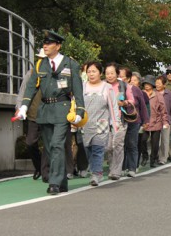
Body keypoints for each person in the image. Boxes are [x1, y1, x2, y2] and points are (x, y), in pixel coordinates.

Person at [17, 30, 85, 195]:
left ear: (58, 46)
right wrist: (24, 107)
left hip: (62, 109)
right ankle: (62, 182)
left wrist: (80, 111)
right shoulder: (40, 65)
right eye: (44, 44)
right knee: (49, 148)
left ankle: (54, 183)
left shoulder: (70, 64)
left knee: (56, 145)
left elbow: (78, 90)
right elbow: (31, 87)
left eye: (49, 43)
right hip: (45, 110)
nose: (45, 46)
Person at [82, 62, 121, 186]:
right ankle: (94, 169)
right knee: (88, 149)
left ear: (100, 73)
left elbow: (113, 107)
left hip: (101, 124)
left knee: (98, 149)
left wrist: (116, 124)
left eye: (94, 71)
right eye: (89, 71)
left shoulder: (107, 87)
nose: (91, 74)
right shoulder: (82, 87)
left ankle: (97, 174)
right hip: (85, 124)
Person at [15, 48, 48, 181]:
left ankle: (46, 172)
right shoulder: (32, 73)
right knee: (30, 142)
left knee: (48, 144)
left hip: (49, 114)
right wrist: (19, 107)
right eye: (41, 59)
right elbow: (23, 91)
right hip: (33, 114)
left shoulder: (55, 73)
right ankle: (39, 166)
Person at [143, 76, 169, 167]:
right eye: (145, 84)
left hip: (156, 122)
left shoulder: (158, 95)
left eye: (148, 84)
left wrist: (165, 122)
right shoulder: (142, 94)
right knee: (142, 141)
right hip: (144, 123)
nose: (146, 85)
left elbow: (163, 110)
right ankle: (145, 155)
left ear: (152, 85)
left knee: (155, 144)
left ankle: (153, 159)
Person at [156, 75, 171, 165]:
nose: (157, 85)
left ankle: (163, 158)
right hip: (155, 120)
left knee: (165, 140)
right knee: (156, 140)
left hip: (166, 120)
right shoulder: (153, 93)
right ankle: (156, 156)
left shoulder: (169, 94)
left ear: (164, 85)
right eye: (156, 83)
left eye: (159, 83)